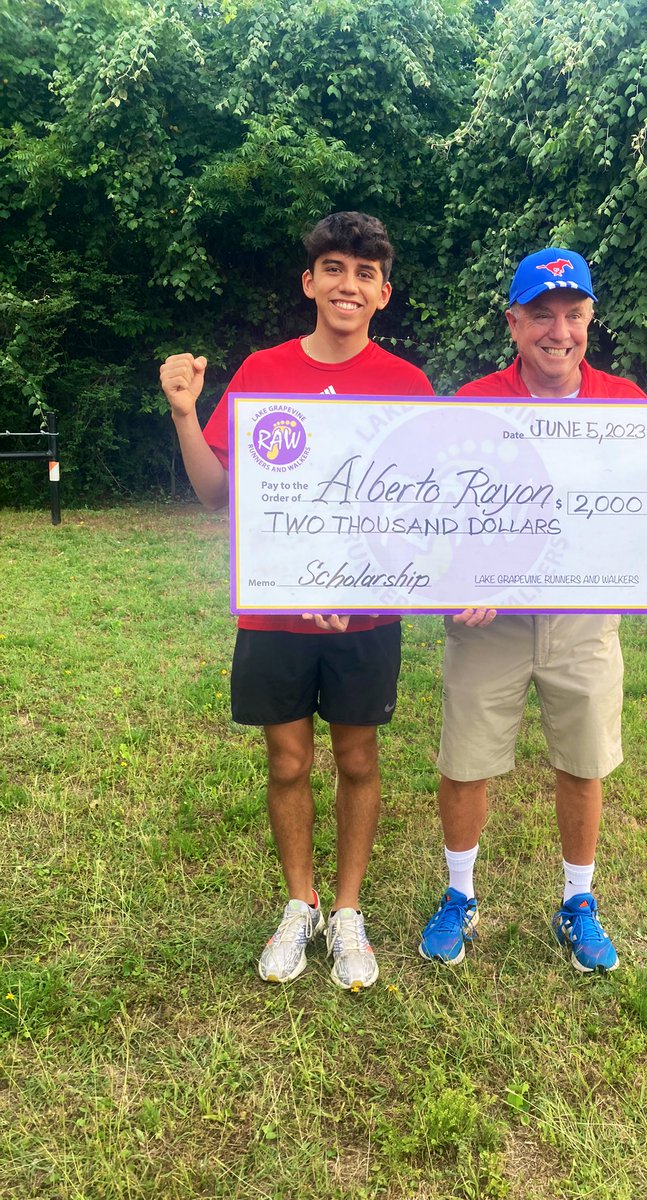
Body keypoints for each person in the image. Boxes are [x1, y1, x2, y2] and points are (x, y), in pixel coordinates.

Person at [419, 248, 647, 974]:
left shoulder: (622, 402)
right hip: (490, 620)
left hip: (583, 615)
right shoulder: (473, 401)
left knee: (582, 763)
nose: (559, 331)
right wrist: (454, 583)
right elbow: (432, 509)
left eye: (573, 315)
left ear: (590, 320)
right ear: (514, 323)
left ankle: (577, 902)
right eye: (541, 315)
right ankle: (460, 896)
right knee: (465, 760)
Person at [160, 212, 433, 991]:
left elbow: (421, 514)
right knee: (286, 760)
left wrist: (377, 583)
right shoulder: (261, 372)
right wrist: (186, 413)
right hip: (274, 612)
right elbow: (216, 495)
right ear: (309, 281)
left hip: (364, 617)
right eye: (335, 268)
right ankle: (298, 901)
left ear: (384, 293)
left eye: (366, 273)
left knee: (357, 757)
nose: (349, 284)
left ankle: (347, 911)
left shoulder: (409, 387)